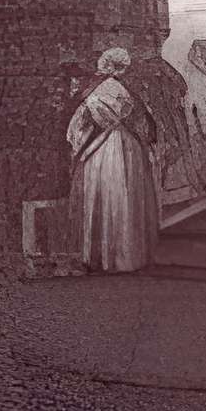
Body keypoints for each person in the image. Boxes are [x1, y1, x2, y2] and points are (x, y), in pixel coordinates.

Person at [66, 46, 159, 273]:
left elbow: (77, 129)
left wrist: (76, 144)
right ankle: (127, 257)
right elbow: (145, 125)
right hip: (129, 148)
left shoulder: (95, 92)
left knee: (103, 195)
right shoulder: (128, 93)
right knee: (125, 196)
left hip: (101, 150)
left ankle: (99, 257)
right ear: (122, 68)